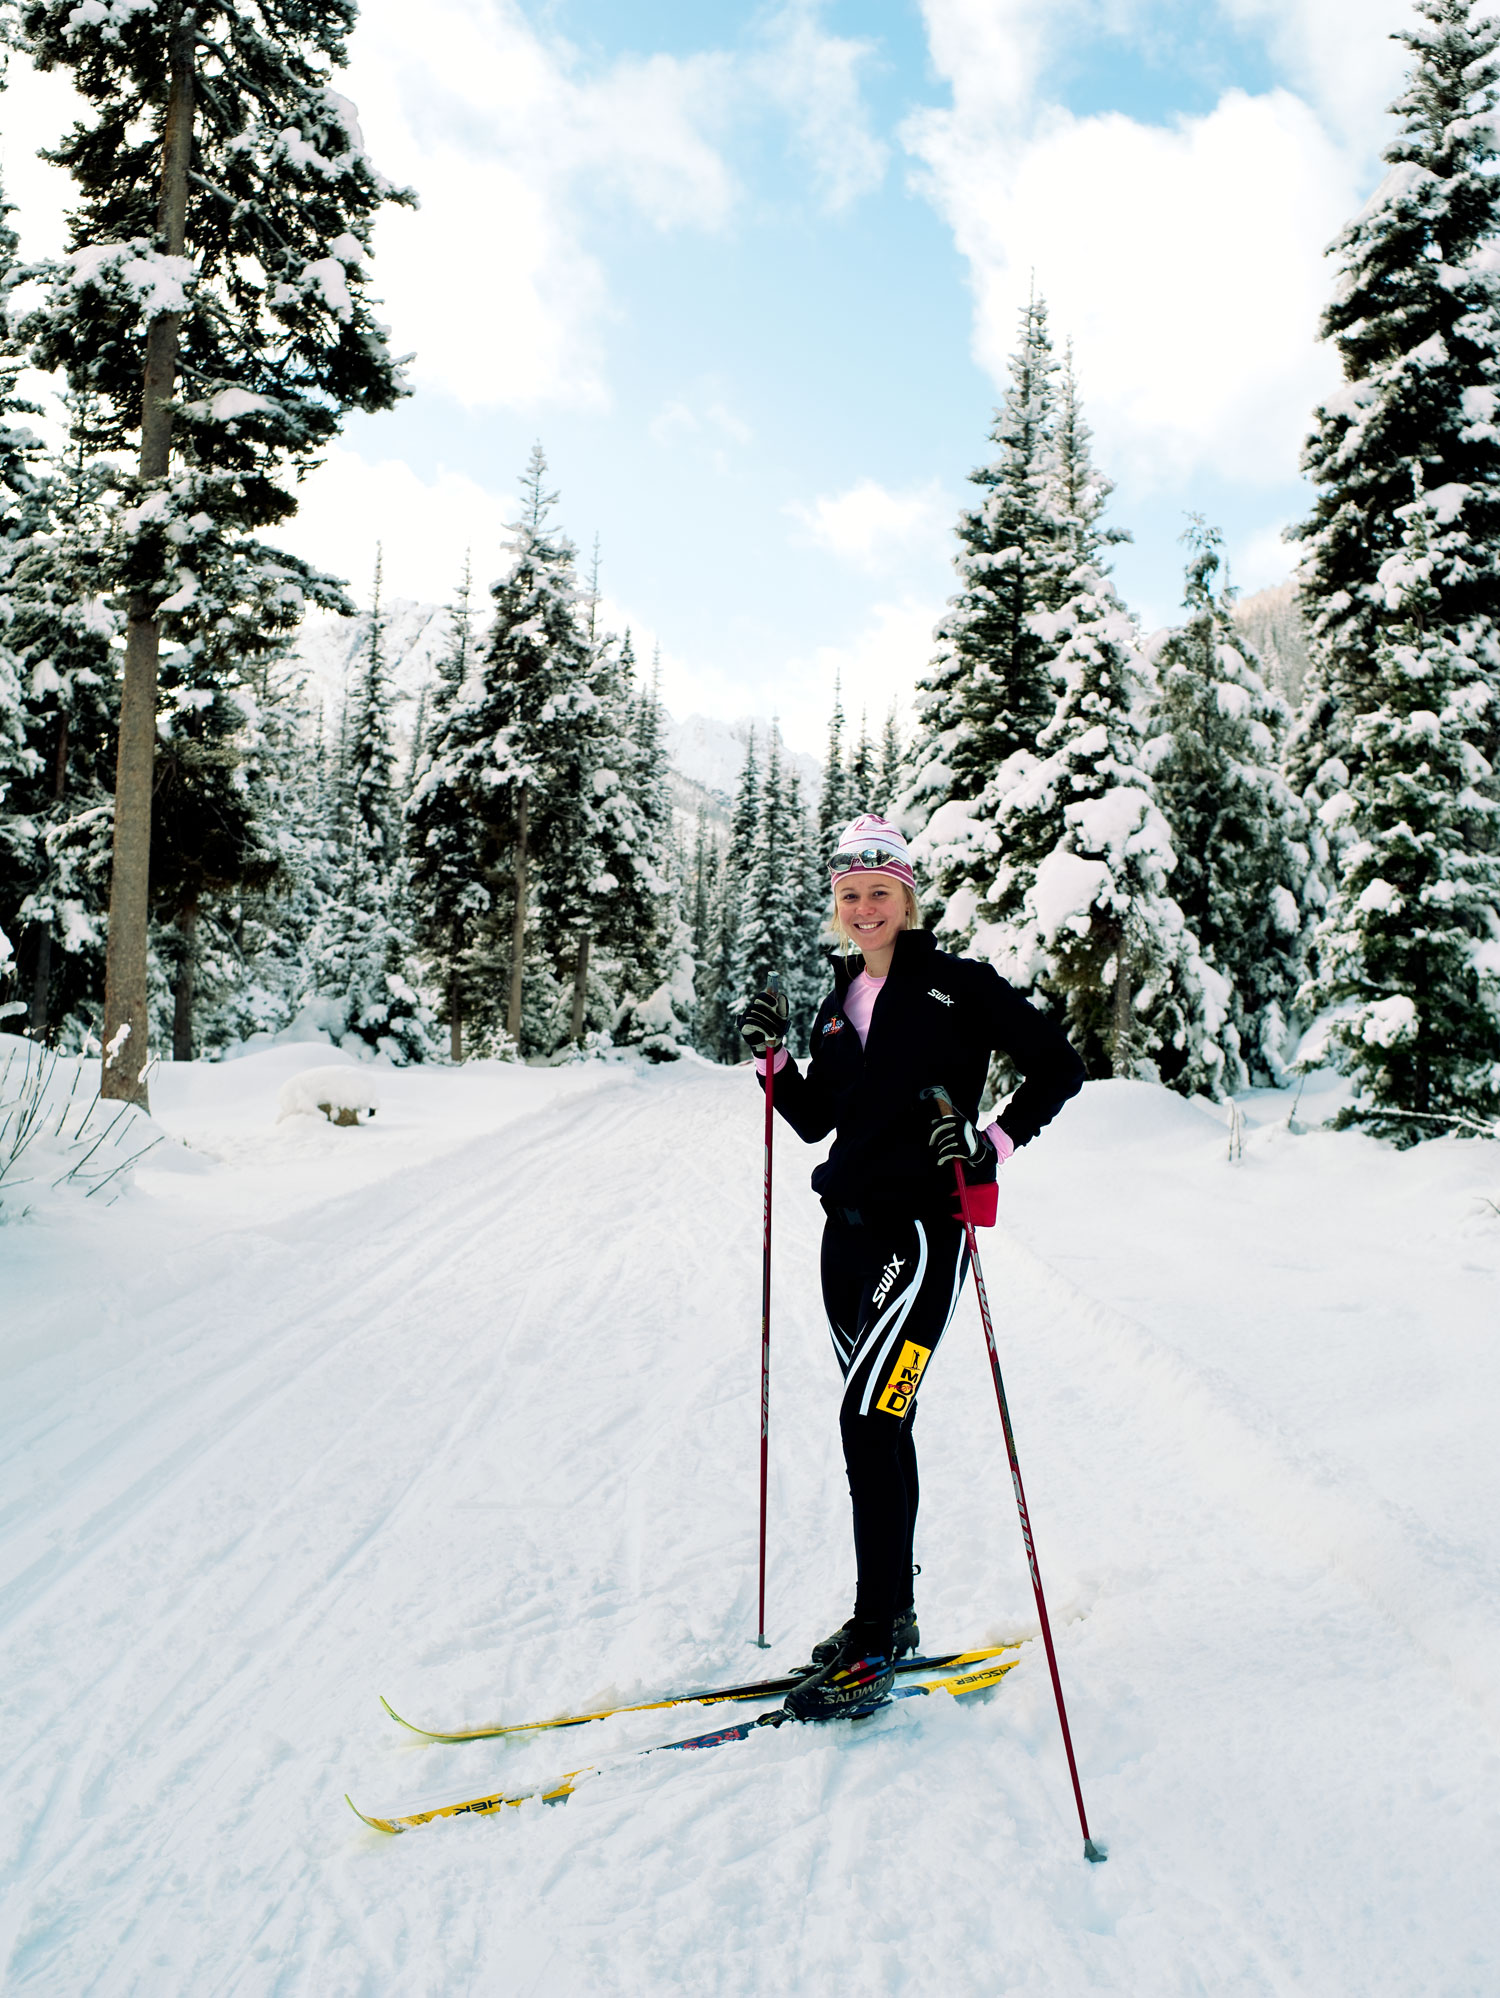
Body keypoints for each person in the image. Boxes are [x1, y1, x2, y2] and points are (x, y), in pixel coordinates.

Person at [738, 812, 1085, 1721]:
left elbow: (1059, 1065)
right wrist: (773, 1058)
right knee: (884, 1426)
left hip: (920, 1237)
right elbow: (817, 1120)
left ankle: (873, 1626)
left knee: (865, 1419)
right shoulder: (837, 1000)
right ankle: (892, 1622)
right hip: (841, 1239)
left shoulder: (957, 987)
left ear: (908, 896)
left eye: (879, 891)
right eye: (849, 894)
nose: (863, 908)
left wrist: (990, 1144)